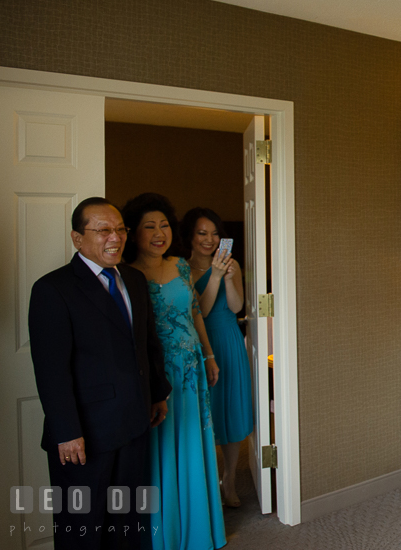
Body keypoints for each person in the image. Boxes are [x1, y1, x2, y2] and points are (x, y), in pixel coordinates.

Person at [28, 197, 171, 550]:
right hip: (84, 436)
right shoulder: (53, 289)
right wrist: (67, 432)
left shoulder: (134, 280)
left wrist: (157, 393)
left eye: (120, 229)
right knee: (83, 530)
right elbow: (51, 369)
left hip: (135, 424)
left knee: (127, 524)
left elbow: (147, 344)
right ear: (78, 238)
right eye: (104, 230)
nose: (116, 237)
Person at [123, 194, 227, 550]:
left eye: (164, 224)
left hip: (192, 369)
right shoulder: (127, 275)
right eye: (149, 226)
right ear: (133, 233)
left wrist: (209, 355)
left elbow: (195, 312)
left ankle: (200, 530)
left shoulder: (181, 265)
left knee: (194, 441)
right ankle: (166, 534)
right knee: (163, 446)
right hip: (157, 372)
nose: (158, 232)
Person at [182, 207, 253, 509]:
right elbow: (202, 311)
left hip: (230, 341)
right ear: (190, 236)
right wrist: (215, 276)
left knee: (233, 410)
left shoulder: (230, 264)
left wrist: (228, 278)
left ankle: (229, 480)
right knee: (206, 415)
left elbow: (237, 306)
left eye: (215, 233)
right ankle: (209, 482)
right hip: (202, 343)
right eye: (202, 233)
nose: (210, 239)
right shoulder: (180, 269)